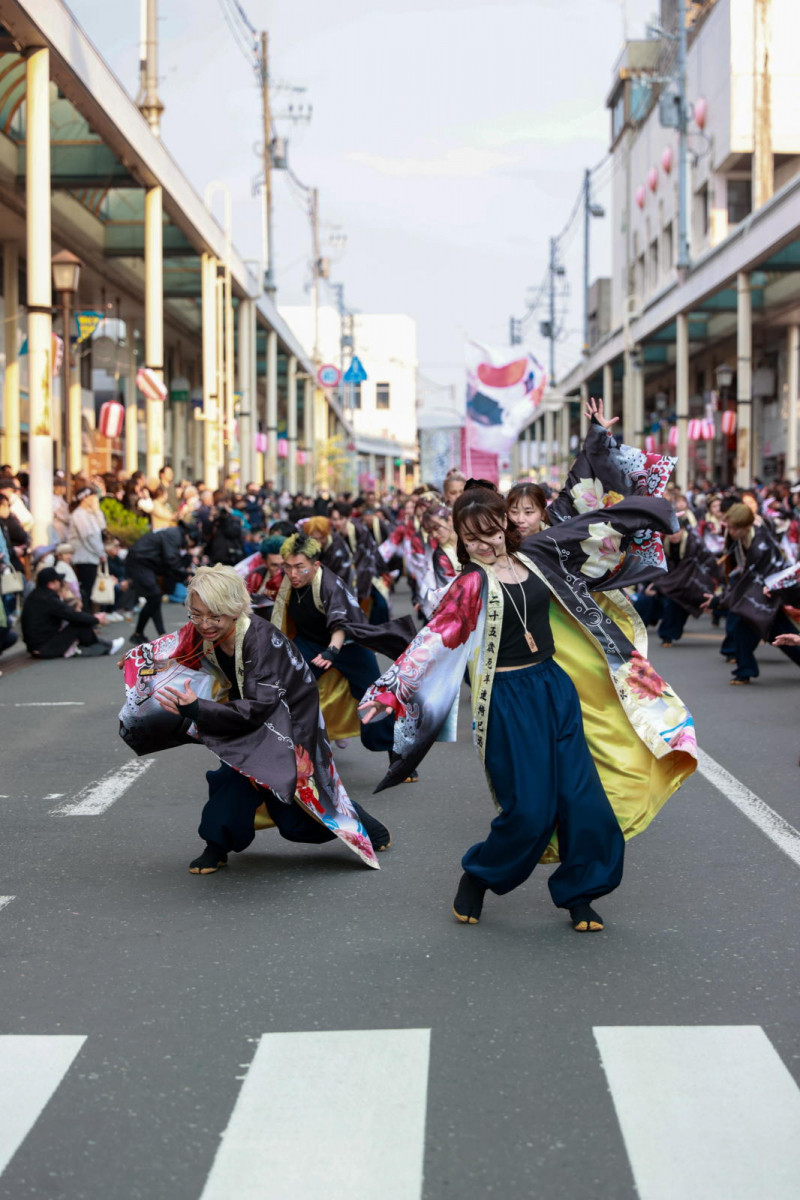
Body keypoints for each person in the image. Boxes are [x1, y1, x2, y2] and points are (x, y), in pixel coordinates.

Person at [360, 464, 696, 934]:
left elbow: (590, 522)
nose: (484, 544)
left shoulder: (537, 554)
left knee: (584, 800)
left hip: (555, 687)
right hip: (509, 700)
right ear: (461, 538)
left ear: (505, 523)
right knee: (531, 811)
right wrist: (389, 692)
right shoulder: (470, 584)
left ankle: (581, 893)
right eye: (472, 537)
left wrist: (646, 506)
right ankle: (479, 875)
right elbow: (434, 638)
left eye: (490, 532)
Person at [120, 564, 390, 874]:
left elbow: (259, 707)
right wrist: (137, 659)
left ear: (235, 609)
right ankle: (216, 845)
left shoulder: (260, 641)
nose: (204, 624)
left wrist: (197, 708)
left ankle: (359, 822)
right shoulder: (203, 628)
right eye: (196, 614)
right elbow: (175, 643)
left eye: (214, 616)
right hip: (244, 712)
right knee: (233, 776)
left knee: (295, 821)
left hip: (286, 720)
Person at [270, 532, 416, 767]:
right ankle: (293, 752)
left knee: (374, 696)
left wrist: (331, 651)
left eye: (299, 567)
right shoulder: (287, 580)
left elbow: (340, 623)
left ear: (315, 565)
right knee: (285, 688)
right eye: (288, 567)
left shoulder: (329, 584)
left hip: (347, 645)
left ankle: (398, 757)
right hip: (308, 643)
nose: (293, 573)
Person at [21, 567, 124, 659]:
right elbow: (72, 615)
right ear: (51, 584)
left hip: (35, 646)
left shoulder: (35, 596)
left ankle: (105, 645)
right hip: (45, 647)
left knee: (79, 622)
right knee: (79, 624)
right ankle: (105, 646)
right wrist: (96, 619)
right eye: (58, 581)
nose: (60, 583)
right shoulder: (48, 599)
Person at [126, 522, 198, 644]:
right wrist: (185, 574)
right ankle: (155, 634)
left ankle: (147, 634)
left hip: (143, 561)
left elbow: (169, 564)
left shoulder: (174, 533)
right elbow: (171, 560)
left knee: (154, 598)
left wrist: (183, 575)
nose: (188, 547)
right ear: (190, 536)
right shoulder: (174, 535)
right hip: (140, 561)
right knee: (154, 596)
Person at [67, 487, 107, 610]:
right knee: (86, 590)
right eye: (93, 497)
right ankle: (85, 615)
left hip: (92, 556)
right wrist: (101, 553)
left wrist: (97, 510)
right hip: (84, 558)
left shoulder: (89, 513)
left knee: (91, 590)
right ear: (85, 498)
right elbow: (89, 537)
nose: (95, 499)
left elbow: (102, 527)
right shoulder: (79, 514)